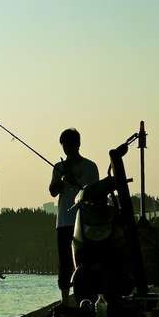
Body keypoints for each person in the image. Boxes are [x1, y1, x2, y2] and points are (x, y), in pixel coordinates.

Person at [49, 128, 99, 307]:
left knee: (87, 260)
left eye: (69, 144)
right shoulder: (59, 167)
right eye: (64, 145)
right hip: (63, 221)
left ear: (78, 144)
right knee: (64, 262)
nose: (66, 148)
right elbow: (52, 191)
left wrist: (75, 181)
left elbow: (94, 192)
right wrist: (62, 180)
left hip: (85, 220)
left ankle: (89, 298)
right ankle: (64, 299)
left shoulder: (90, 167)